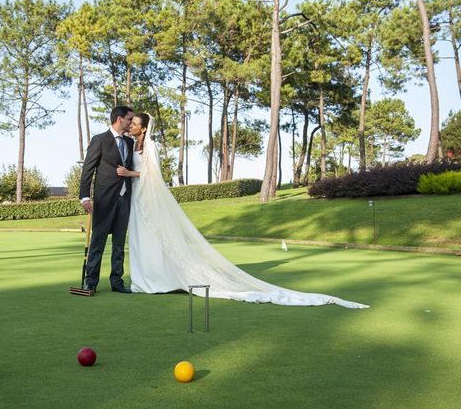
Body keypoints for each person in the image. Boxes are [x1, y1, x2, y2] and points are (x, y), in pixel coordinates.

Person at [116, 113, 368, 308]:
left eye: (135, 123)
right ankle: (145, 280)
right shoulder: (132, 145)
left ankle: (158, 280)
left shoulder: (151, 146)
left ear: (144, 127)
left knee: (156, 238)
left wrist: (131, 173)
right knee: (141, 239)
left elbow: (155, 174)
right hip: (137, 197)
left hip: (149, 196)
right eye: (131, 123)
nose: (131, 126)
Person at [79, 105, 135, 293]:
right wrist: (85, 196)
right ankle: (91, 282)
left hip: (124, 198)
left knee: (119, 244)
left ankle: (117, 282)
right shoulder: (100, 140)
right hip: (104, 200)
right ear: (119, 119)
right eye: (129, 119)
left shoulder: (129, 143)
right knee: (98, 242)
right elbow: (88, 169)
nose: (131, 123)